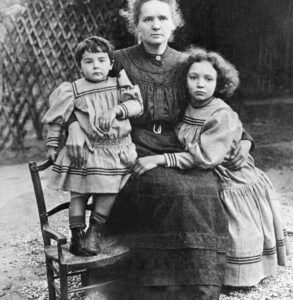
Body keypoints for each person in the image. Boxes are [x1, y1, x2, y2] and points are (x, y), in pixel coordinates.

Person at [66, 0, 253, 298]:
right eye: (148, 18)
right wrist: (75, 125)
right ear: (136, 24)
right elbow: (81, 91)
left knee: (205, 185)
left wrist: (244, 138)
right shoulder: (116, 60)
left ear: (174, 22)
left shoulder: (185, 63)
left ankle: (200, 286)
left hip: (176, 147)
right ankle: (159, 284)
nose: (156, 25)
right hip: (130, 148)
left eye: (163, 18)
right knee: (170, 189)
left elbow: (212, 106)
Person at [160, 47, 288, 287]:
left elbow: (213, 150)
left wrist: (246, 142)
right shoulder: (184, 107)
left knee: (236, 221)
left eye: (208, 79)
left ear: (218, 83)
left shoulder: (220, 110)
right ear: (184, 79)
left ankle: (239, 274)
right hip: (201, 162)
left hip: (227, 169)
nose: (200, 84)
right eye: (193, 77)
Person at [42, 36, 143, 256]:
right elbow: (58, 117)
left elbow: (136, 105)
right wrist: (52, 144)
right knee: (78, 195)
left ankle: (95, 230)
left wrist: (117, 110)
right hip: (84, 151)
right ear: (79, 66)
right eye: (88, 61)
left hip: (115, 150)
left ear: (110, 64)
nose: (95, 65)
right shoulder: (73, 89)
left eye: (101, 60)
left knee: (109, 191)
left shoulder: (118, 84)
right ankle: (76, 234)